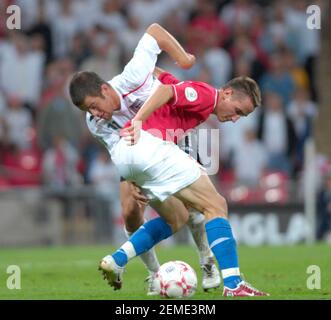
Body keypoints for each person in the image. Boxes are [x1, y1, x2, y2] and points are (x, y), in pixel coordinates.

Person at [69, 23, 268, 296]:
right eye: (237, 111)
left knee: (179, 216)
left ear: (104, 90)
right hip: (149, 149)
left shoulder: (139, 78)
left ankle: (119, 260)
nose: (94, 113)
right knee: (213, 204)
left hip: (147, 152)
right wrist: (184, 60)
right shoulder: (203, 94)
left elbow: (165, 79)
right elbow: (164, 74)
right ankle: (230, 282)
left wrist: (173, 66)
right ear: (228, 94)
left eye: (240, 117)